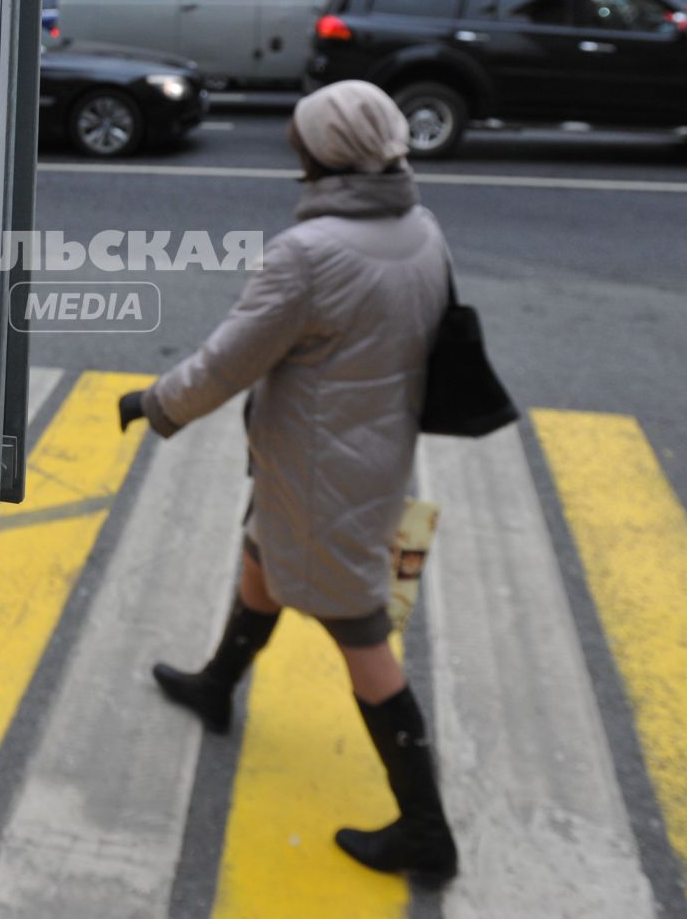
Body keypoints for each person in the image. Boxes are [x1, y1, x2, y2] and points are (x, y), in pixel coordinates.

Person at [119, 80, 458, 882]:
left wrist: (154, 404)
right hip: (366, 451)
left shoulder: (310, 254)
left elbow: (228, 361)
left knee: (361, 635)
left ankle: (426, 830)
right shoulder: (420, 225)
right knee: (262, 559)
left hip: (321, 471)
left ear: (319, 155)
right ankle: (215, 682)